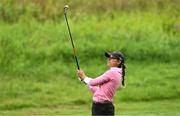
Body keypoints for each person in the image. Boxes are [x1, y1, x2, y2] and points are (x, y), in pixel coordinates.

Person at [77, 51, 126, 116]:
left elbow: (93, 82)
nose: (109, 60)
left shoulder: (112, 72)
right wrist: (84, 80)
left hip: (100, 107)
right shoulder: (116, 73)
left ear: (119, 62)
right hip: (107, 106)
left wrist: (84, 77)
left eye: (111, 58)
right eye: (109, 58)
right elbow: (98, 91)